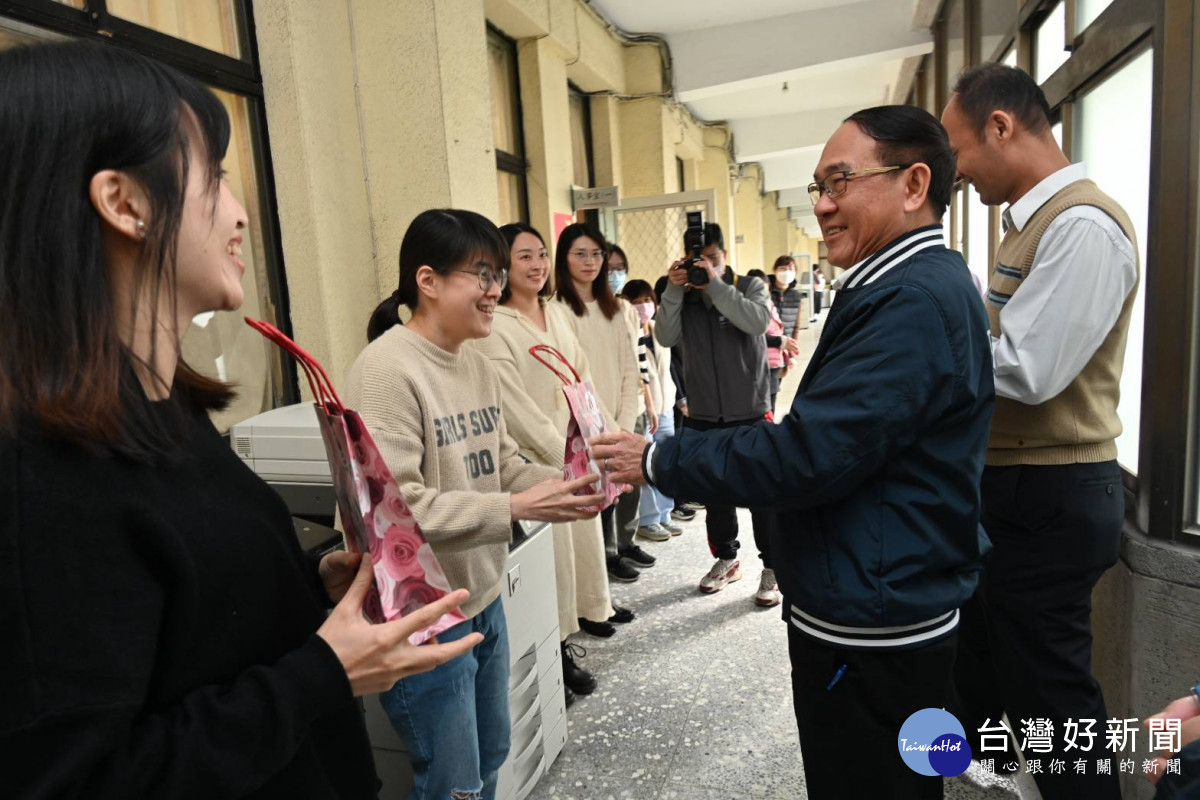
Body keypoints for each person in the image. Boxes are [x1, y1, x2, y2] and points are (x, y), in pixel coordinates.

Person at [0, 41, 481, 799]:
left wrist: (309, 589)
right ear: (125, 203)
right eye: (216, 178)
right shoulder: (39, 477)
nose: (239, 212)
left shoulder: (163, 410)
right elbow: (78, 777)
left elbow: (185, 636)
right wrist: (321, 674)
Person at [593, 104, 994, 800]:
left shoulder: (910, 298)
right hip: (882, 583)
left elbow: (810, 454)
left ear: (913, 183)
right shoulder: (907, 282)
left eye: (840, 181)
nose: (823, 205)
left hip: (874, 615)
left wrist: (659, 460)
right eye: (817, 186)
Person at [346, 209, 604, 800]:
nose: (496, 289)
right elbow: (395, 513)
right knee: (452, 783)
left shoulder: (476, 364)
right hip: (424, 615)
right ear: (428, 280)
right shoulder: (387, 370)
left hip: (480, 595)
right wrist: (514, 507)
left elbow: (504, 464)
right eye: (482, 275)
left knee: (491, 753)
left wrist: (571, 485)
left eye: (497, 274)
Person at [941, 63, 1139, 800]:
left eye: (958, 151)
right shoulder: (1030, 226)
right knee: (1022, 686)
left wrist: (930, 339)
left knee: (1053, 700)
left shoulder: (1083, 227)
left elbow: (1029, 369)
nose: (956, 173)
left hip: (1053, 488)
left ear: (1002, 127)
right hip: (1022, 485)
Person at [469, 222, 618, 702]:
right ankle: (552, 654)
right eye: (523, 257)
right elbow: (517, 411)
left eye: (539, 255)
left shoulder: (556, 313)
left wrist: (610, 445)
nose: (536, 265)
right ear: (501, 267)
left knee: (576, 565)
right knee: (548, 572)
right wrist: (569, 463)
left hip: (576, 460)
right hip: (538, 469)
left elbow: (584, 384)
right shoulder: (496, 327)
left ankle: (565, 644)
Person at [654, 222, 779, 603]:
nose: (706, 266)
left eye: (714, 259)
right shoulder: (683, 295)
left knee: (762, 495)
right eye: (700, 260)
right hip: (704, 412)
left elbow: (757, 321)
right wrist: (674, 290)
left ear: (724, 257)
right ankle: (727, 558)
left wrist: (715, 284)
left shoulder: (749, 286)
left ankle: (773, 568)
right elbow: (665, 336)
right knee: (716, 494)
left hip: (751, 410)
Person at [555, 224, 656, 583]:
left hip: (620, 422)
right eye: (579, 254)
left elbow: (631, 367)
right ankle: (599, 580)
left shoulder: (615, 308)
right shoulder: (557, 311)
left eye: (596, 254)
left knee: (623, 492)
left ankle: (618, 552)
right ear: (563, 259)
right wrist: (609, 430)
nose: (590, 262)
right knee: (593, 506)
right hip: (585, 428)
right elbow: (577, 377)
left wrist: (623, 426)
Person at [619, 279, 684, 543]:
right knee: (644, 463)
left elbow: (671, 368)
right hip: (644, 407)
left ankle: (665, 514)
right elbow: (637, 375)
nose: (642, 306)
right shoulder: (626, 334)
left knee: (665, 461)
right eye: (635, 302)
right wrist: (648, 405)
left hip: (665, 404)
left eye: (646, 300)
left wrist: (679, 400)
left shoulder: (659, 329)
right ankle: (648, 520)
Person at [746, 267, 796, 419]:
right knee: (761, 407)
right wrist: (781, 341)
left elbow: (778, 330)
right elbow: (755, 336)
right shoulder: (747, 308)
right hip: (759, 364)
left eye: (764, 288)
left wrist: (788, 355)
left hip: (774, 363)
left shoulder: (770, 304)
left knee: (771, 406)